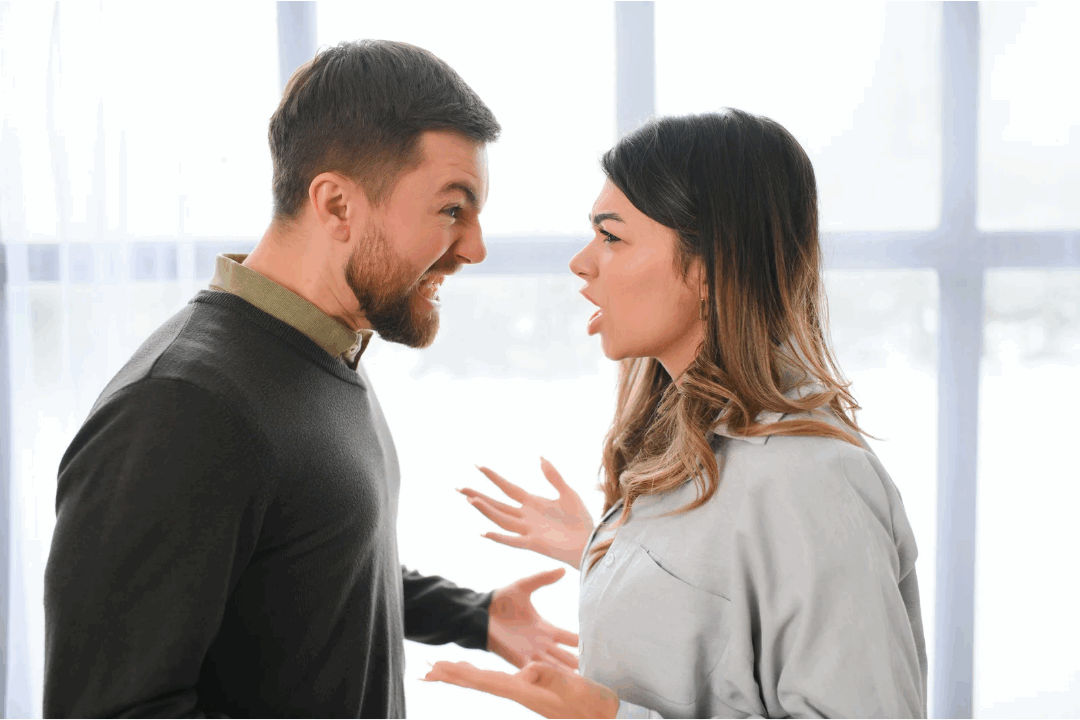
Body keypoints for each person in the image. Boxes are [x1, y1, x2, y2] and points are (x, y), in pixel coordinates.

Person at [43, 40, 578, 718]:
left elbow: (305, 567)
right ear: (337, 205)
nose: (475, 247)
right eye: (452, 209)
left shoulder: (322, 350)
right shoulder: (181, 407)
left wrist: (473, 614)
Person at [424, 110, 928, 718]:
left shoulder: (810, 477)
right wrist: (604, 551)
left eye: (612, 237)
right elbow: (719, 623)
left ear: (710, 267)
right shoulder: (701, 442)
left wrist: (605, 717)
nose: (581, 262)